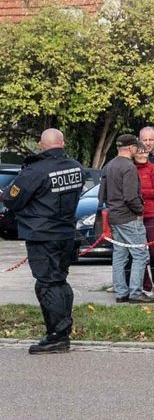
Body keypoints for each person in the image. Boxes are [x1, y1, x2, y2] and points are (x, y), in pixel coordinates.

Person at [2, 129, 83, 354]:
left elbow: (12, 199)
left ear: (40, 144)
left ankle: (57, 335)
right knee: (60, 281)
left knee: (47, 284)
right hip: (66, 232)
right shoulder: (75, 167)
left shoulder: (36, 171)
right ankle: (62, 330)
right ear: (63, 143)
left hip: (42, 234)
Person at [100, 134, 154, 305]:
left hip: (114, 216)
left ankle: (121, 292)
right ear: (131, 147)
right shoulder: (129, 167)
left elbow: (101, 194)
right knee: (140, 254)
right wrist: (139, 210)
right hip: (129, 217)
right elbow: (131, 196)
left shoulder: (109, 166)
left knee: (120, 255)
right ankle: (135, 292)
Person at [133, 146, 154, 294]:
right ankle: (145, 285)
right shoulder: (131, 169)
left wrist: (138, 192)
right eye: (139, 151)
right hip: (135, 215)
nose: (142, 153)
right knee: (138, 252)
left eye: (144, 151)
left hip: (152, 214)